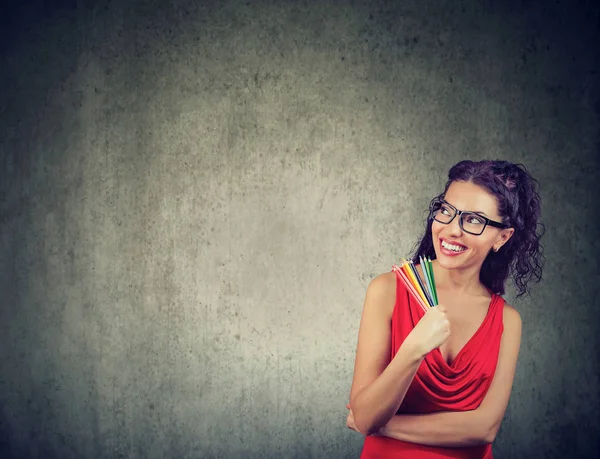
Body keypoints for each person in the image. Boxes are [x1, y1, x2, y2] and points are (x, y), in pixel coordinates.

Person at [346, 160, 544, 458]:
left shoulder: (507, 320)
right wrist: (414, 349)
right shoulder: (387, 290)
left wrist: (382, 426)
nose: (451, 230)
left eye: (474, 220)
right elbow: (365, 415)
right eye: (446, 211)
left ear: (502, 237)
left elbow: (483, 429)